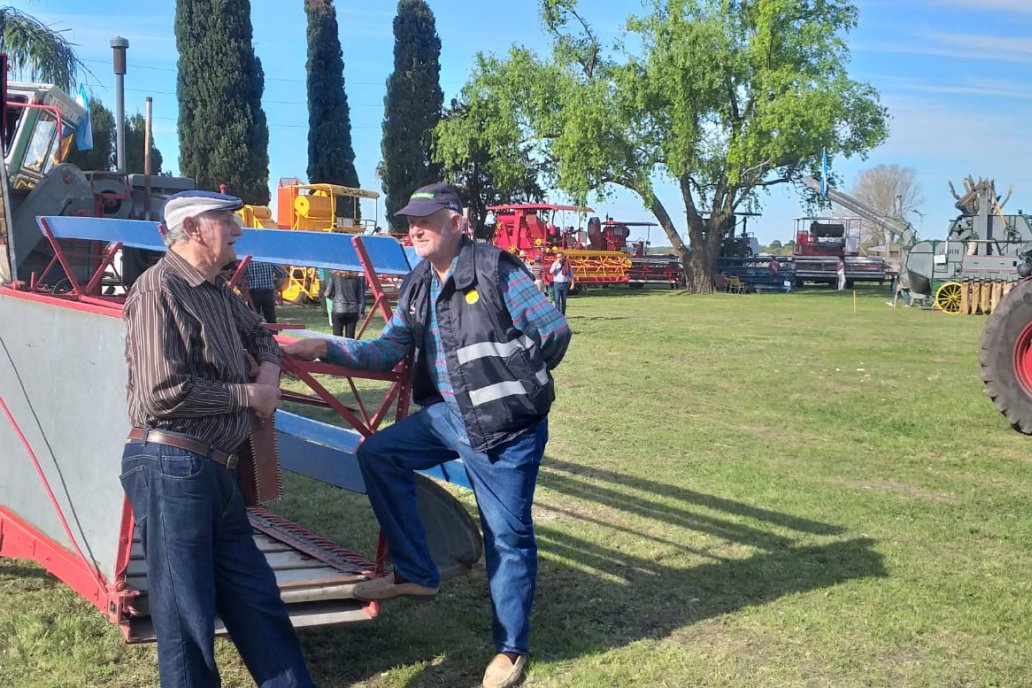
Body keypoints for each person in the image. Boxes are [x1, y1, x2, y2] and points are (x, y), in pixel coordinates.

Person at [283, 182, 571, 688]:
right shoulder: (418, 284)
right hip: (450, 418)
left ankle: (510, 648)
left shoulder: (495, 269)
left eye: (426, 219)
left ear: (456, 222)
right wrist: (323, 347)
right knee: (379, 453)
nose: (413, 228)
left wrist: (515, 394)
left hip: (506, 430)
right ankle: (417, 573)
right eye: (409, 221)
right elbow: (385, 350)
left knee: (508, 536)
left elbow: (553, 331)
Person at [120, 190, 314, 688]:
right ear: (192, 230)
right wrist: (250, 395)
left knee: (257, 598)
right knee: (186, 619)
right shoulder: (156, 290)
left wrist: (268, 376)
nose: (237, 230)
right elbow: (160, 394)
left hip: (215, 467)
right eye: (225, 220)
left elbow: (262, 336)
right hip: (170, 464)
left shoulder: (217, 290)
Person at [322, 269, 365, 338]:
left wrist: (335, 298)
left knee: (337, 338)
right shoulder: (356, 278)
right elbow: (359, 298)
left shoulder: (334, 277)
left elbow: (327, 294)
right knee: (350, 339)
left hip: (338, 310)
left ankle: (339, 349)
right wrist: (359, 313)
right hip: (353, 310)